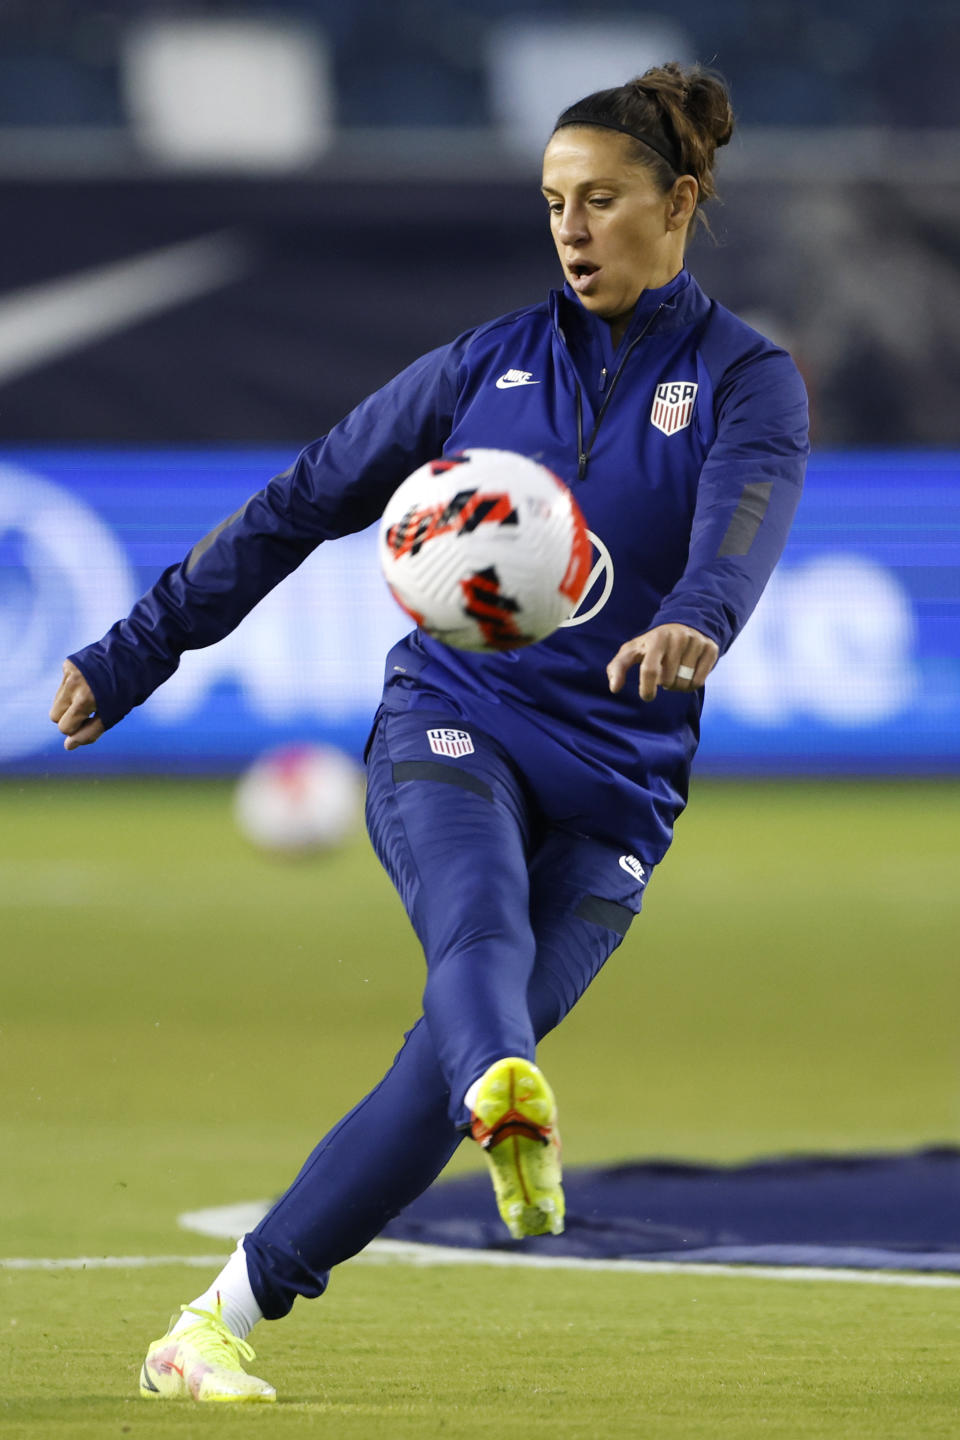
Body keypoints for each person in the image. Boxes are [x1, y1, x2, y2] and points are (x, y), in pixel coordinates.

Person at [50, 62, 808, 1404]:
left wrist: (698, 617)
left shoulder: (748, 378)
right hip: (454, 723)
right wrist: (138, 647)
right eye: (554, 203)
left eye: (604, 201)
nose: (573, 229)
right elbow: (302, 500)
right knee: (480, 943)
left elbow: (742, 520)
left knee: (445, 1062)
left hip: (623, 791)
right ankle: (506, 1086)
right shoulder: (483, 365)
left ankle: (212, 1324)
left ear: (681, 201)